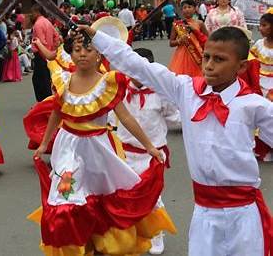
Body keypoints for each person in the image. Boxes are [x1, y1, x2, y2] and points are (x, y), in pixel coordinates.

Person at [79, 23, 273, 256]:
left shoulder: (254, 105)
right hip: (204, 214)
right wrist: (97, 37)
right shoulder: (186, 90)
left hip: (244, 214)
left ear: (241, 66)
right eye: (207, 57)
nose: (209, 66)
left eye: (220, 60)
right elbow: (137, 65)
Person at [32, 35, 172, 255]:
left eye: (88, 49)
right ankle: (77, 246)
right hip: (69, 151)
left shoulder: (107, 83)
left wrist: (149, 147)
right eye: (77, 50)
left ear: (99, 54)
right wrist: (44, 144)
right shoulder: (63, 82)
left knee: (104, 201)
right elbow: (56, 113)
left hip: (99, 150)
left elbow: (126, 118)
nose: (82, 54)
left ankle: (102, 244)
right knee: (66, 199)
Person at [118, 48, 181, 255]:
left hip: (153, 154)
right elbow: (111, 119)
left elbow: (174, 117)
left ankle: (156, 233)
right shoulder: (119, 90)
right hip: (124, 152)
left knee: (153, 196)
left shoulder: (161, 94)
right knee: (125, 195)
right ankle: (132, 233)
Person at [248, 10, 273, 161]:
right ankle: (263, 150)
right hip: (261, 84)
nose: (260, 28)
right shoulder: (258, 44)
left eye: (264, 25)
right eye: (260, 25)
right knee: (261, 116)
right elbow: (250, 61)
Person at [168, 0, 208, 78]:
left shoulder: (199, 23)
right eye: (184, 7)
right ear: (181, 10)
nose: (187, 9)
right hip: (182, 54)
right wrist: (179, 41)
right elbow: (171, 43)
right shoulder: (177, 24)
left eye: (189, 7)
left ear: (194, 9)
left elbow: (207, 38)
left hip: (197, 53)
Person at [31, 4, 60, 101]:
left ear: (37, 12)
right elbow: (57, 36)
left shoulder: (38, 24)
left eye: (33, 12)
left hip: (41, 54)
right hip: (48, 54)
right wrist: (53, 49)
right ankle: (46, 100)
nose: (31, 15)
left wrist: (45, 53)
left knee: (39, 81)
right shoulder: (47, 22)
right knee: (45, 79)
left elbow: (41, 42)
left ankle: (44, 102)